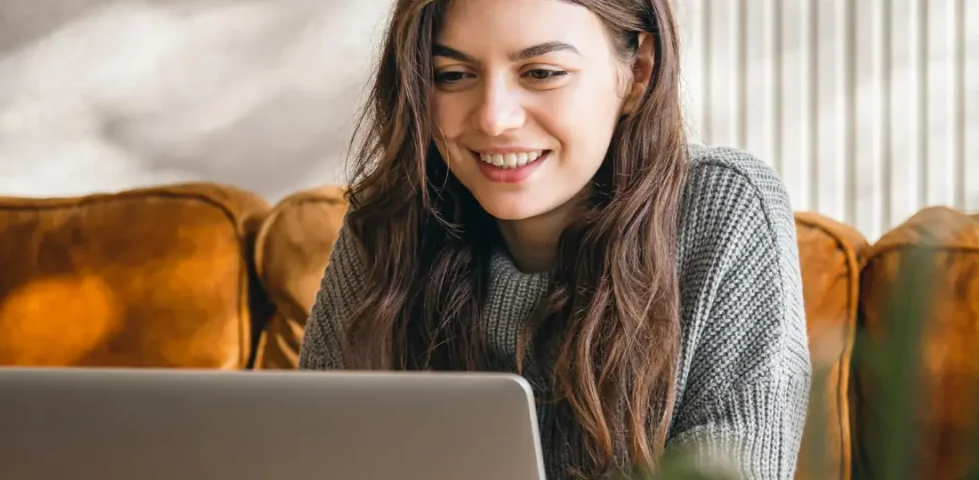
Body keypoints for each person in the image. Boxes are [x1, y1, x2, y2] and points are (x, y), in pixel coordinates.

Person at [298, 0, 811, 478]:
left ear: (638, 73)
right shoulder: (391, 220)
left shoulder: (724, 209)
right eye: (452, 75)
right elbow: (308, 452)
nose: (494, 118)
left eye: (542, 73)